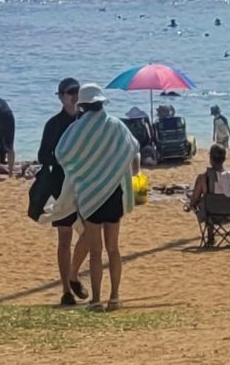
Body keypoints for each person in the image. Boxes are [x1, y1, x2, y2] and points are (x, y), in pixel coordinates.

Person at [48, 84, 140, 312]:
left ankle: (97, 299)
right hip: (114, 194)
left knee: (96, 251)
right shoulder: (116, 125)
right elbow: (133, 149)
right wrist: (118, 169)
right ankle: (115, 297)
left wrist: (83, 170)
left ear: (82, 105)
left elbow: (62, 154)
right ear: (101, 102)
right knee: (113, 249)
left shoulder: (78, 129)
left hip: (90, 195)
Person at [37, 77, 90, 307]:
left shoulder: (87, 121)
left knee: (90, 234)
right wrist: (63, 160)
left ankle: (73, 274)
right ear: (60, 96)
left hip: (85, 186)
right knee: (64, 238)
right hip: (60, 187)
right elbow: (42, 156)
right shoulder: (53, 124)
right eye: (70, 92)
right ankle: (66, 290)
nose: (74, 96)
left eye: (77, 92)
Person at [188, 143, 230, 214]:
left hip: (213, 215)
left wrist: (193, 203)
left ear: (210, 159)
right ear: (224, 159)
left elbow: (193, 201)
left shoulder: (203, 178)